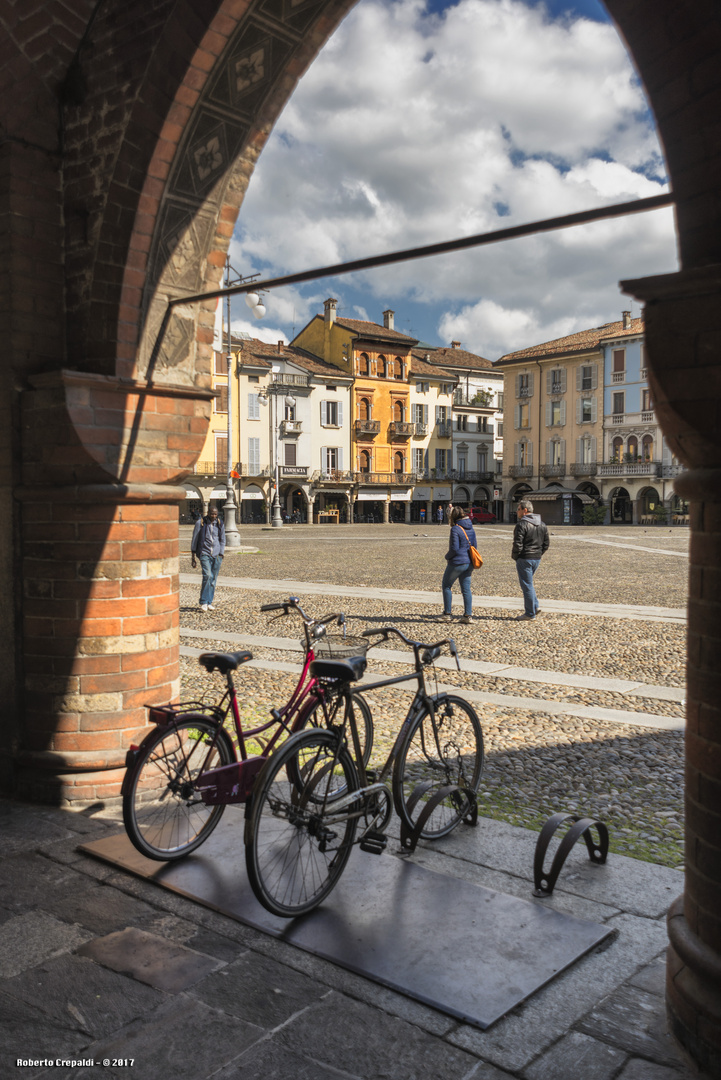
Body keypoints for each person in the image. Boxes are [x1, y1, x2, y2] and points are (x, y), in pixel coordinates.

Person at [511, 499, 549, 621]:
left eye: (518, 509)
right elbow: (546, 543)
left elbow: (518, 543)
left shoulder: (522, 524)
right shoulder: (542, 524)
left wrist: (516, 556)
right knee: (529, 584)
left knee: (526, 585)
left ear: (525, 510)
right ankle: (535, 606)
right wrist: (539, 553)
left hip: (525, 558)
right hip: (536, 558)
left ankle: (529, 613)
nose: (517, 511)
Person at [441, 506, 477, 624]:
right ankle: (468, 615)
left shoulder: (455, 529)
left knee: (446, 585)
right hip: (469, 563)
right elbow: (475, 546)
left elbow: (454, 549)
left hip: (457, 562)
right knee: (466, 589)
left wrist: (447, 557)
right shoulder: (471, 528)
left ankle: (447, 614)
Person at [191, 506, 225, 611]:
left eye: (215, 514)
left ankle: (209, 601)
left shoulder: (220, 524)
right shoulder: (200, 523)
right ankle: (204, 601)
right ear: (208, 513)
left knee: (213, 579)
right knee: (207, 575)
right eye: (212, 514)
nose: (213, 516)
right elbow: (195, 539)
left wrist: (221, 553)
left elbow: (223, 539)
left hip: (217, 554)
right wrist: (193, 556)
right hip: (204, 553)